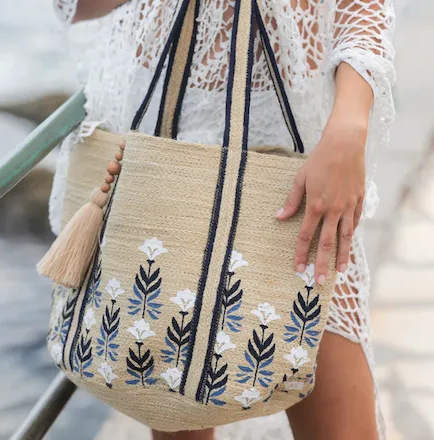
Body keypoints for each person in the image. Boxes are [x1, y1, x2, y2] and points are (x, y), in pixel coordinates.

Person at [51, 1, 395, 439]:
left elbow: (363, 9)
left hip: (289, 132)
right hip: (168, 123)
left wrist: (350, 125)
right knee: (170, 386)